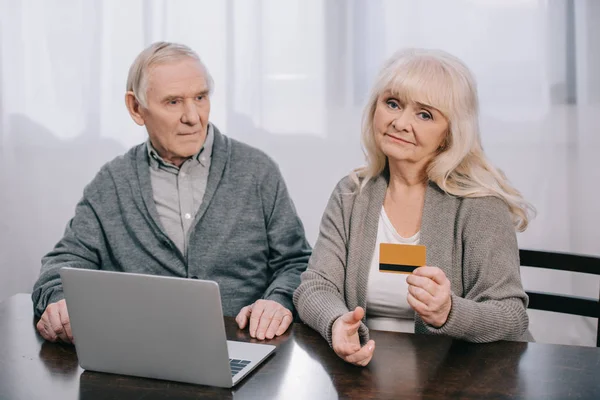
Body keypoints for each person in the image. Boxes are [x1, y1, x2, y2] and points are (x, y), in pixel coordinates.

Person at [32, 42, 311, 344]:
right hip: (143, 353)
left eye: (200, 98)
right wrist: (59, 300)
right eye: (174, 102)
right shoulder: (112, 182)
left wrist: (278, 301)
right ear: (136, 108)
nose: (193, 116)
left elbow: (296, 263)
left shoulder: (257, 171)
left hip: (245, 347)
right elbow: (63, 262)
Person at [293, 48, 534, 366]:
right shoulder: (352, 192)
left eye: (424, 114)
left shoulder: (479, 204)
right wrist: (337, 322)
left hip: (459, 378)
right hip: (364, 373)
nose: (400, 122)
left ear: (449, 134)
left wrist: (449, 312)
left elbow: (511, 316)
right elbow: (316, 285)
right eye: (392, 103)